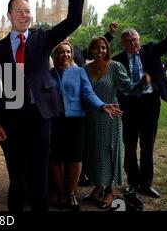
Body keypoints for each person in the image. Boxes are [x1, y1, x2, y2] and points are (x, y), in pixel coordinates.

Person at [0, 0, 84, 212]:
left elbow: (73, 20)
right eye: (19, 11)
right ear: (9, 15)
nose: (24, 15)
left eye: (27, 11)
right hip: (11, 120)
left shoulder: (42, 37)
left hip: (41, 117)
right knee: (17, 177)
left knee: (40, 176)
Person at [112, 10, 167, 202]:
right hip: (128, 105)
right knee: (130, 145)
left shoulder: (151, 50)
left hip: (150, 104)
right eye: (128, 41)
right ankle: (132, 181)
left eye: (134, 39)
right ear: (123, 44)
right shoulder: (118, 60)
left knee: (147, 145)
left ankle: (146, 183)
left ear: (139, 39)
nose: (132, 43)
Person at [49, 41, 122, 211]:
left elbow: (88, 93)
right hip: (54, 120)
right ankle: (60, 193)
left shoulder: (80, 72)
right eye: (61, 52)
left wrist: (102, 105)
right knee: (56, 159)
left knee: (75, 158)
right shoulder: (49, 74)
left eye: (68, 52)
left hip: (76, 120)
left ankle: (71, 193)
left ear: (72, 55)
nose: (65, 55)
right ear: (55, 56)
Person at [83, 36, 149, 209]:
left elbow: (128, 88)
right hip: (91, 117)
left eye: (103, 48)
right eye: (97, 48)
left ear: (107, 50)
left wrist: (141, 84)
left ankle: (109, 191)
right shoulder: (84, 68)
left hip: (110, 117)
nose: (100, 51)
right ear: (91, 50)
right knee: (95, 152)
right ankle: (98, 186)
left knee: (109, 152)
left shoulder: (114, 67)